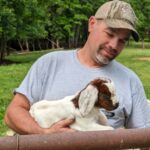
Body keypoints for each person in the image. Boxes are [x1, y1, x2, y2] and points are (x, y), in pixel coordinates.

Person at [4, 0, 150, 135]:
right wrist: (43, 134)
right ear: (92, 24)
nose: (114, 45)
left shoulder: (130, 81)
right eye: (110, 33)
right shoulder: (49, 64)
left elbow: (144, 137)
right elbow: (13, 114)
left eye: (122, 41)